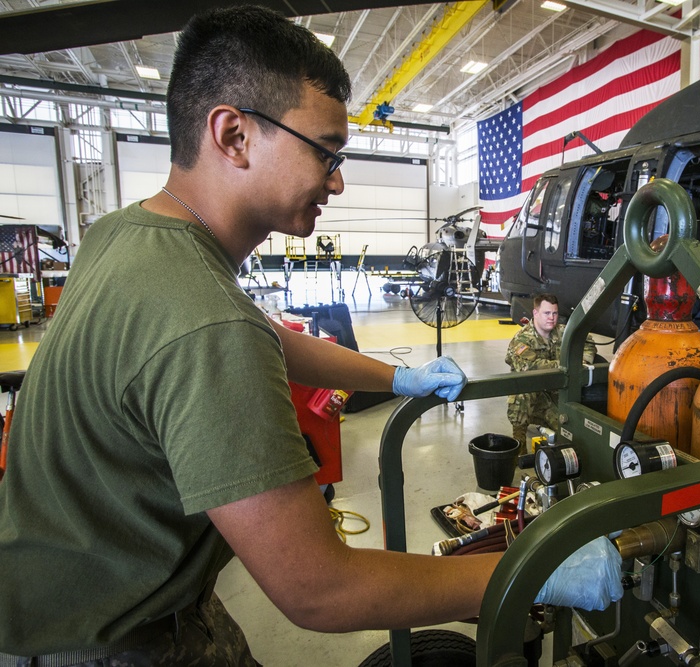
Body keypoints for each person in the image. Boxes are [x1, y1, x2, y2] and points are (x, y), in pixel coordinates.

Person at [0, 7, 620, 665]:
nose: (338, 178)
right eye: (325, 151)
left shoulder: (124, 234)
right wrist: (536, 566)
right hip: (102, 641)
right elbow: (318, 587)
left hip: (73, 599)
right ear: (233, 134)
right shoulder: (205, 320)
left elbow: (263, 333)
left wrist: (396, 376)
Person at [506, 293, 597, 453]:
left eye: (555, 313)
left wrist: (584, 361)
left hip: (556, 393)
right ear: (535, 313)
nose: (552, 318)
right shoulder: (522, 340)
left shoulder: (562, 332)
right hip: (533, 398)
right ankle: (518, 444)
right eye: (547, 313)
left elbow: (587, 341)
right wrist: (569, 366)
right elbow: (531, 367)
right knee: (522, 394)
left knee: (569, 431)